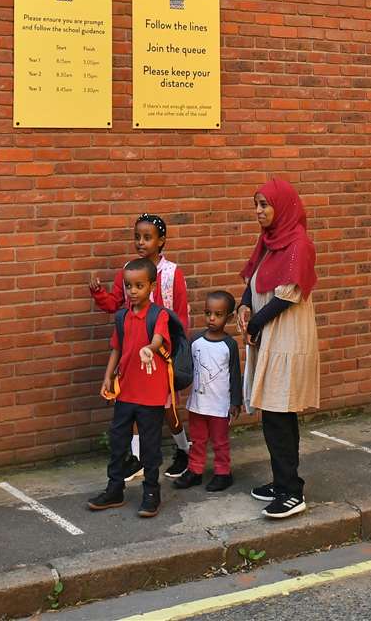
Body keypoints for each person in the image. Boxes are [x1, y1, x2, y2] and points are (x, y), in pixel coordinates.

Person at [239, 178, 320, 520]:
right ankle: (281, 481)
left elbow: (288, 293)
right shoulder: (269, 240)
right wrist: (244, 307)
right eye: (256, 205)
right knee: (272, 414)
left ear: (283, 206)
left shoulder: (298, 244)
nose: (259, 211)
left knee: (279, 415)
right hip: (269, 338)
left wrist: (255, 324)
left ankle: (291, 491)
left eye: (265, 205)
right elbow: (255, 279)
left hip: (286, 340)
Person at [89, 215, 192, 479]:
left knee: (167, 406)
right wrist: (99, 293)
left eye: (147, 237)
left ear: (162, 241)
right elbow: (114, 303)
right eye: (137, 237)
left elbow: (181, 316)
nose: (140, 242)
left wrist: (176, 350)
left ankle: (183, 449)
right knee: (131, 402)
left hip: (161, 351)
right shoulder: (129, 269)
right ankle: (136, 459)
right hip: (132, 351)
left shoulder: (171, 273)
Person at [88, 258, 172, 518]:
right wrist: (107, 376)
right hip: (126, 390)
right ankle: (114, 489)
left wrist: (150, 347)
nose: (133, 291)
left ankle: (151, 492)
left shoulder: (159, 315)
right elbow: (117, 347)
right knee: (118, 442)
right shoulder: (122, 315)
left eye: (139, 285)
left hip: (152, 394)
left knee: (150, 446)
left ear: (152, 286)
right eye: (128, 286)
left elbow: (159, 338)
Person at [175, 290, 242, 491]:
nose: (211, 318)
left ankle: (223, 473)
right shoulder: (195, 341)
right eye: (208, 313)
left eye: (218, 314)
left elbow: (235, 374)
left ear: (228, 317)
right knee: (197, 440)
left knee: (220, 442)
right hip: (197, 404)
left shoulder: (229, 345)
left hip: (220, 406)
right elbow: (185, 369)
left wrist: (235, 402)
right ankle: (195, 471)